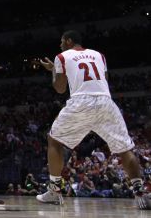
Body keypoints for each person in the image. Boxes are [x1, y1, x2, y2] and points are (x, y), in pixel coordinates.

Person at [34, 30, 150, 209]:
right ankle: (141, 194)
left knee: (54, 140)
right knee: (125, 148)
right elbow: (104, 79)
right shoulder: (99, 55)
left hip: (81, 102)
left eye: (61, 42)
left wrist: (53, 71)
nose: (60, 45)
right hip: (105, 101)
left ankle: (55, 192)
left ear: (69, 41)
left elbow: (59, 88)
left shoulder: (62, 56)